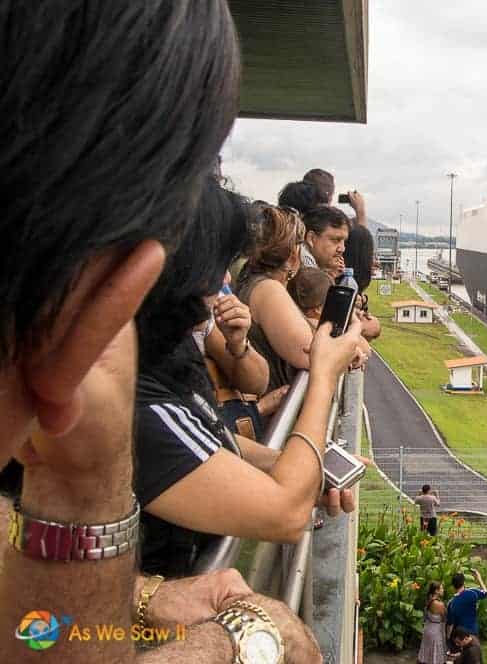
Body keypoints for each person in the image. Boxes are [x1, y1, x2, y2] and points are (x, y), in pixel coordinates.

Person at [0, 2, 322, 662]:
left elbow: (40, 632)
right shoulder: (126, 398)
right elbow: (283, 511)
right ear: (109, 298)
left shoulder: (105, 407)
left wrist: (141, 595)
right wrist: (245, 640)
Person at [134, 178, 366, 576]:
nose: (225, 279)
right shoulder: (140, 404)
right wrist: (324, 375)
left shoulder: (169, 346)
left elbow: (212, 439)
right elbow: (286, 514)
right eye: (219, 265)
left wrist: (295, 465)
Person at [235, 205, 315, 393]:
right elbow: (311, 354)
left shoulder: (251, 282)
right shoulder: (268, 290)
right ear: (294, 255)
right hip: (274, 413)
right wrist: (350, 343)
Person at [301, 205, 351, 276]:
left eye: (344, 242)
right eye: (336, 240)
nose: (342, 249)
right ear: (311, 238)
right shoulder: (302, 266)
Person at [446, 570, 487, 641]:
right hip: (473, 631)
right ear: (463, 582)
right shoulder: (473, 593)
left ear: (453, 585)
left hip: (460, 636)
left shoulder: (451, 603)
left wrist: (447, 637)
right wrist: (479, 578)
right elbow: (486, 593)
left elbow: (450, 624)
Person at [418, 582, 448, 664]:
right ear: (436, 591)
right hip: (436, 632)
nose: (443, 590)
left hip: (427, 629)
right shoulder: (439, 604)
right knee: (436, 655)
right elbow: (445, 618)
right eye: (441, 588)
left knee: (427, 654)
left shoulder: (428, 599)